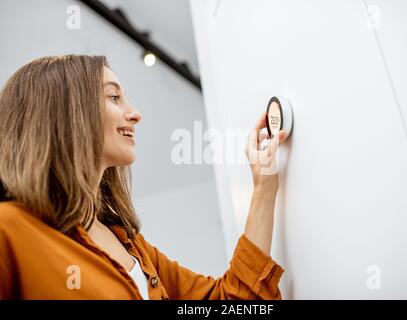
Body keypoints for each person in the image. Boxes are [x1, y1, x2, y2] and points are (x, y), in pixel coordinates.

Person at [0, 55, 287, 300]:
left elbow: (229, 301)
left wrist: (264, 186)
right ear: (64, 112)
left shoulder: (133, 247)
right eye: (114, 97)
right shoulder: (9, 229)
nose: (135, 114)